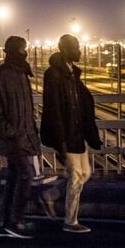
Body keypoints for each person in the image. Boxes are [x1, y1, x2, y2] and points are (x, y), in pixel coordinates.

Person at [40, 34, 102, 233]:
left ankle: (50, 194)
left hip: (77, 133)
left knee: (85, 173)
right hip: (66, 134)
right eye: (75, 46)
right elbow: (54, 109)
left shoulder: (72, 73)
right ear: (64, 49)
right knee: (76, 177)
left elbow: (81, 102)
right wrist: (61, 142)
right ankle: (70, 222)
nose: (79, 50)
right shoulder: (54, 74)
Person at [0, 36, 41, 239]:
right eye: (22, 49)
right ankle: (13, 222)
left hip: (21, 136)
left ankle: (6, 223)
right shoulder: (2, 75)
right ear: (12, 51)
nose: (25, 52)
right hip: (13, 139)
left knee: (14, 177)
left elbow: (25, 109)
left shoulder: (20, 74)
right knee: (26, 175)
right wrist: (12, 132)